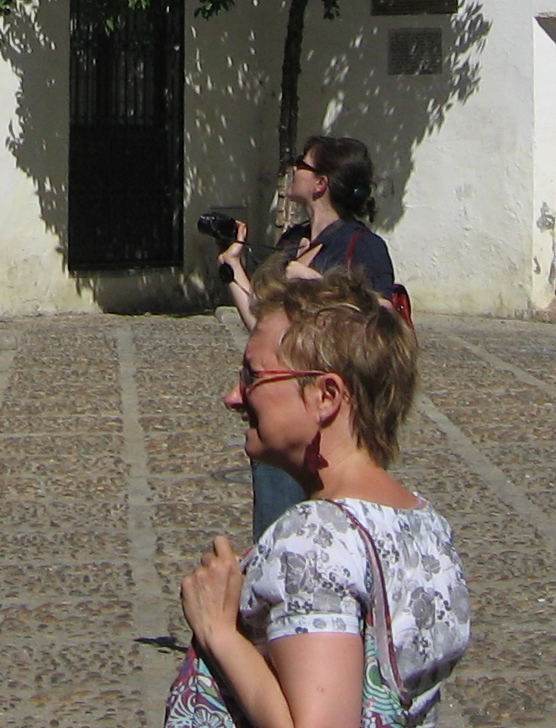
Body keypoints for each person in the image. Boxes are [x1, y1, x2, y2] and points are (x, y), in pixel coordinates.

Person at [170, 272, 470, 728]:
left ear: (326, 396)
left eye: (253, 376)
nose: (233, 397)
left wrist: (218, 631)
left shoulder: (314, 539)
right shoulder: (425, 522)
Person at [221, 137, 394, 541]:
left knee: (329, 531)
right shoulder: (292, 240)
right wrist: (232, 268)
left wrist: (314, 282)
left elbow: (382, 322)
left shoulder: (362, 246)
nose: (293, 169)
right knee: (275, 531)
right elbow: (262, 324)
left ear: (321, 183)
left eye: (302, 163)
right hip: (278, 407)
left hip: (327, 417)